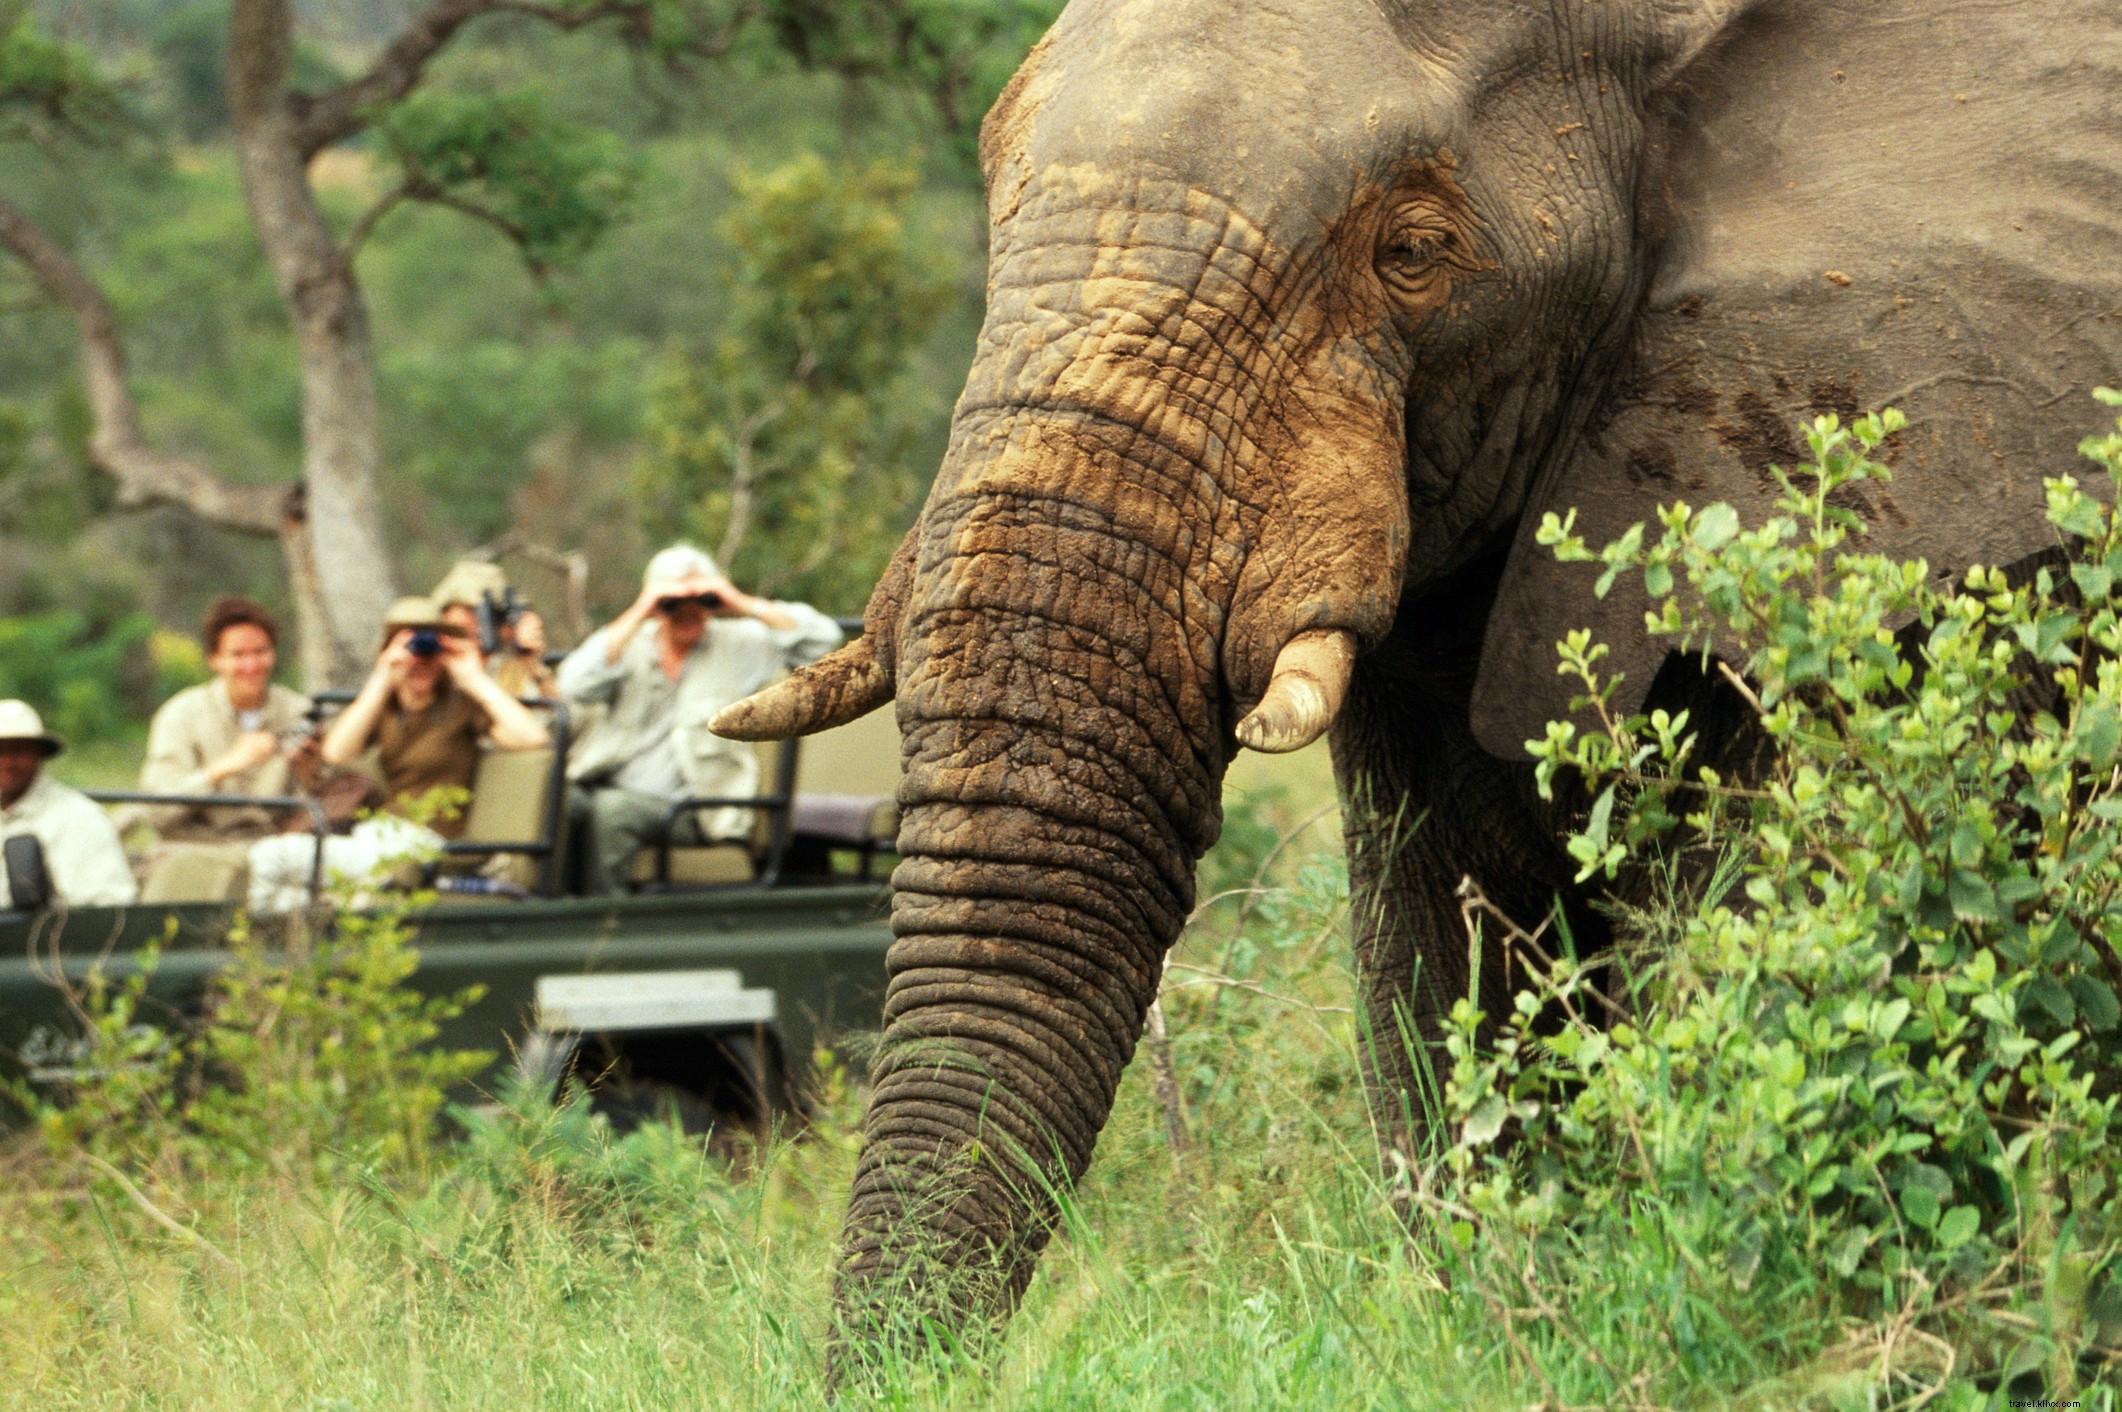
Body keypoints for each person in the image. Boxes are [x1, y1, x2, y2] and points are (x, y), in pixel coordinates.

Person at [558, 545, 841, 894]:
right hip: (609, 786)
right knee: (563, 799)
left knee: (610, 812)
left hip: (694, 810)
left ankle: (605, 928)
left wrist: (737, 601)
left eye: (700, 600)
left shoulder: (737, 644)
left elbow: (825, 641)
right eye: (672, 603)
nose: (687, 612)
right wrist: (642, 608)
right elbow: (573, 684)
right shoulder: (628, 644)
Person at [246, 599, 551, 912]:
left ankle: (272, 944)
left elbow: (534, 737)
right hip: (376, 836)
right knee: (296, 893)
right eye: (410, 645)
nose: (421, 658)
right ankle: (298, 947)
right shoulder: (386, 707)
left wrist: (472, 677)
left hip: (424, 844)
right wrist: (382, 676)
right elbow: (336, 753)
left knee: (269, 857)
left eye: (430, 646)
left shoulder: (460, 706)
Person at [138, 595, 312, 842]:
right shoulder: (181, 715)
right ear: (214, 659)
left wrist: (307, 770)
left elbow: (318, 804)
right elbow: (157, 812)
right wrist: (221, 769)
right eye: (238, 655)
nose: (251, 665)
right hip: (199, 848)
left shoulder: (299, 712)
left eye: (260, 652)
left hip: (278, 847)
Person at [0, 700, 137, 908]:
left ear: (39, 753)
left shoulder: (80, 817)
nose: (6, 763)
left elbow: (111, 907)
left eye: (17, 751)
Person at [432, 559, 558, 701]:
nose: (477, 625)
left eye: (480, 614)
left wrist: (533, 664)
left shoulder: (512, 669)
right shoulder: (431, 667)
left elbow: (558, 716)